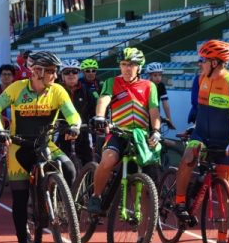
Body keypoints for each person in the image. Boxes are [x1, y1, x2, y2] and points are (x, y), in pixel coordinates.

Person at [0, 51, 81, 243]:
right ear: (37, 71)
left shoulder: (57, 90)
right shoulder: (17, 88)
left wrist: (74, 126)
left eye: (55, 71)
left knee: (69, 168)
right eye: (51, 71)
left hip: (45, 144)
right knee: (20, 199)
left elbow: (72, 113)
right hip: (18, 147)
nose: (55, 76)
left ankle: (61, 205)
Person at [171, 40, 229, 231]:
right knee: (188, 156)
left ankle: (223, 239)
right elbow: (200, 110)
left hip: (225, 140)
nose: (200, 63)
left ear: (214, 63)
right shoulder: (201, 79)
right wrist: (192, 128)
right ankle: (180, 203)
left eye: (203, 60)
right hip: (201, 135)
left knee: (226, 192)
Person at [87, 47, 161, 215]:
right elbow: (103, 100)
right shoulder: (111, 82)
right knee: (108, 160)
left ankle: (143, 225)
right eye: (124, 64)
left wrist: (156, 130)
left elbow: (154, 111)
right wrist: (100, 116)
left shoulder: (149, 86)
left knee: (142, 179)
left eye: (132, 65)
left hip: (140, 136)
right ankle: (96, 196)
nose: (127, 68)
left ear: (139, 67)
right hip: (118, 133)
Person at [58, 58, 95, 166]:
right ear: (62, 75)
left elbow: (93, 110)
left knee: (88, 161)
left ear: (78, 74)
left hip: (82, 130)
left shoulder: (85, 90)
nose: (71, 74)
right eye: (67, 72)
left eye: (74, 71)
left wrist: (95, 121)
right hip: (62, 132)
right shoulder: (56, 90)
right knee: (62, 162)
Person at [144, 62, 175, 129]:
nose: (158, 78)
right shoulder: (145, 85)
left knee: (157, 133)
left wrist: (169, 119)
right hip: (144, 115)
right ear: (149, 76)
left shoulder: (161, 85)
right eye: (155, 75)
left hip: (156, 114)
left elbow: (165, 103)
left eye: (160, 75)